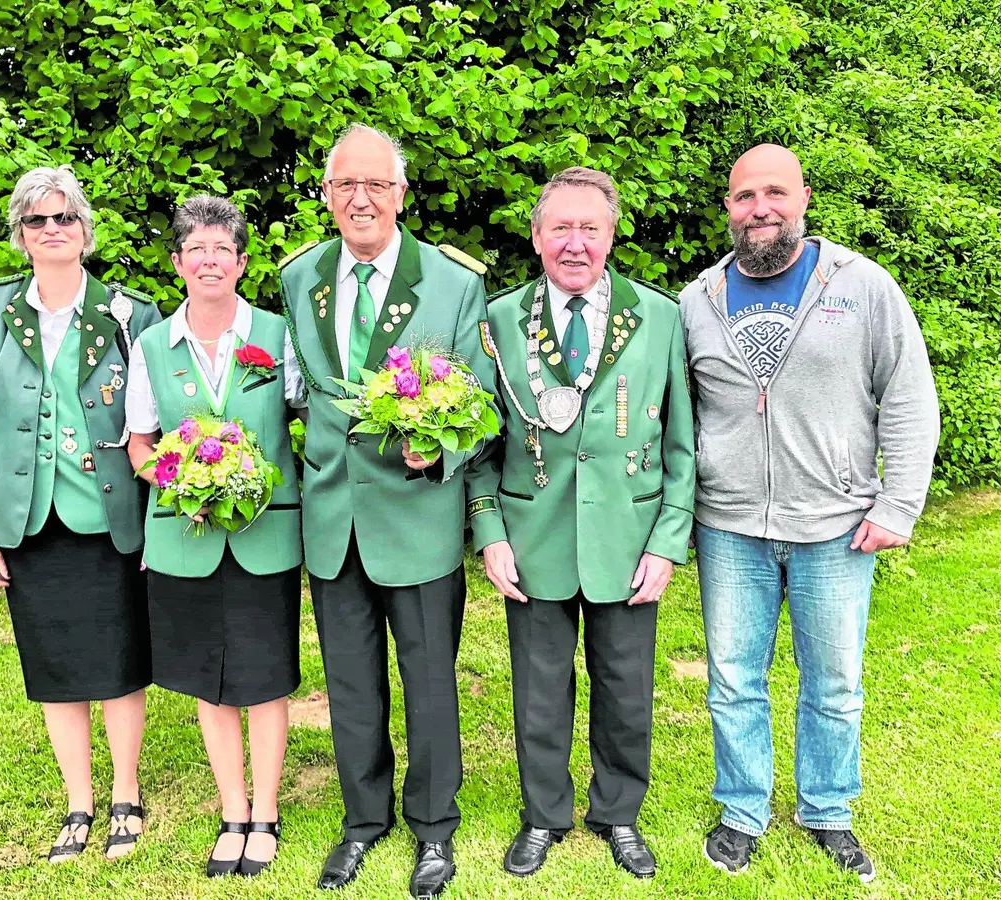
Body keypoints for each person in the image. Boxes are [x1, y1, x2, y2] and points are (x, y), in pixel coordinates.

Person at [677, 144, 940, 883]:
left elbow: (911, 397)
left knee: (834, 682)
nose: (759, 208)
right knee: (733, 679)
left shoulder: (862, 287)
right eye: (743, 196)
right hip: (729, 527)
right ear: (727, 209)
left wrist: (899, 503)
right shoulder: (698, 300)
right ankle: (741, 812)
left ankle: (827, 810)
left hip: (835, 528)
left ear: (803, 199)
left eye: (774, 193)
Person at [276, 123, 498, 899]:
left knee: (430, 680)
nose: (361, 198)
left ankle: (434, 828)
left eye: (377, 184)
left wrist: (439, 450)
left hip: (417, 517)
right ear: (328, 195)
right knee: (351, 684)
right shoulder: (300, 277)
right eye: (345, 185)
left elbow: (480, 402)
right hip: (334, 518)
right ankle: (362, 822)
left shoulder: (451, 281)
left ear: (402, 194)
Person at [467, 167, 694, 880]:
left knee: (626, 686)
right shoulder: (500, 321)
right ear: (535, 238)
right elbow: (478, 440)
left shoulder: (658, 316)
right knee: (538, 690)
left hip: (627, 540)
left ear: (610, 234)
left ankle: (618, 813)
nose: (574, 243)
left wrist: (668, 539)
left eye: (588, 228)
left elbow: (684, 443)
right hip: (532, 537)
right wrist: (489, 529)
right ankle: (544, 815)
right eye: (559, 228)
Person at [0, 166, 162, 862]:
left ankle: (126, 796)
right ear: (20, 234)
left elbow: (156, 420)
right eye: (36, 220)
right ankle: (79, 803)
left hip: (111, 514)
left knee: (122, 662)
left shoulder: (130, 312)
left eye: (63, 218)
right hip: (28, 517)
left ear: (84, 231)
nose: (51, 230)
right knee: (57, 665)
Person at [124, 195, 307, 878]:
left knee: (263, 677)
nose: (208, 261)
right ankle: (232, 809)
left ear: (241, 261)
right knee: (210, 678)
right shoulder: (151, 347)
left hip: (266, 535)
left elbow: (306, 420)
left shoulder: (278, 336)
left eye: (221, 250)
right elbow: (141, 444)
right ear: (177, 263)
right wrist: (179, 482)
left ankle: (267, 812)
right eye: (195, 250)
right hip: (187, 539)